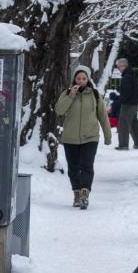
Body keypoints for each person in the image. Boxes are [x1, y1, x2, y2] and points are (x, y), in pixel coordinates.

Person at [55, 65, 112, 210]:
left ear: (88, 79)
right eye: (78, 78)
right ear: (74, 79)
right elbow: (59, 110)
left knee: (87, 166)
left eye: (84, 78)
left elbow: (103, 116)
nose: (81, 81)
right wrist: (71, 95)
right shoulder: (67, 93)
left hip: (90, 137)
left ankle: (85, 194)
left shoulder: (94, 94)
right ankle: (76, 193)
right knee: (73, 168)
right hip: (70, 138)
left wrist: (107, 135)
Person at [115, 58, 138, 150]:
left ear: (123, 66)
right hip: (134, 103)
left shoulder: (126, 77)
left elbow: (126, 92)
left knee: (124, 124)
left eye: (118, 67)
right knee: (134, 124)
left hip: (127, 104)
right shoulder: (132, 74)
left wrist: (120, 99)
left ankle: (123, 144)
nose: (118, 69)